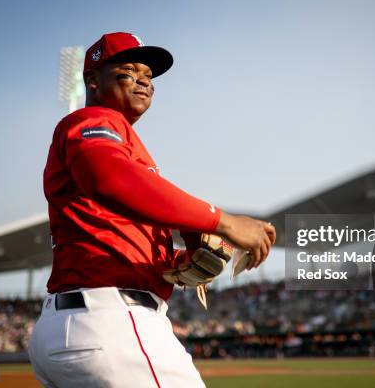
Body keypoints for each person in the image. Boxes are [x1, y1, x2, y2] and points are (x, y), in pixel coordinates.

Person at [28, 32, 276, 387]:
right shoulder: (94, 121)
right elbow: (108, 179)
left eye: (148, 75)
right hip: (111, 324)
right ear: (93, 80)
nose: (143, 80)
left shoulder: (122, 143)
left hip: (78, 324)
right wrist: (223, 222)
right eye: (128, 71)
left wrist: (177, 262)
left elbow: (111, 229)